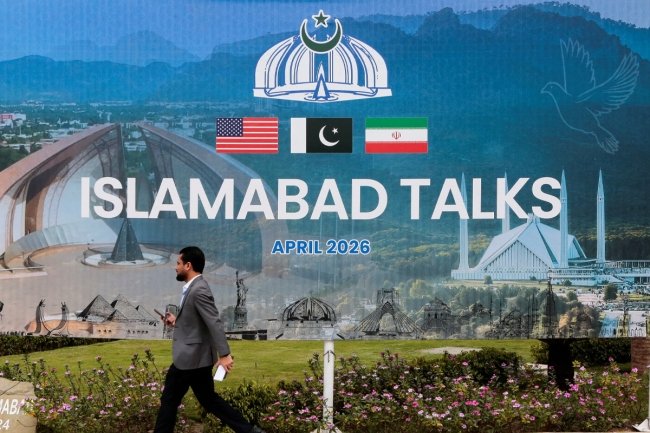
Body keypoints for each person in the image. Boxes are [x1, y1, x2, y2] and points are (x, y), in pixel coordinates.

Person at [153, 246, 266, 433]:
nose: (175, 267)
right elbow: (199, 322)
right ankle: (250, 431)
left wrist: (225, 354)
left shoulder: (198, 290)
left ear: (188, 265)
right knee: (208, 400)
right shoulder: (194, 288)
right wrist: (177, 321)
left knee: (170, 400)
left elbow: (214, 322)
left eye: (178, 263)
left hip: (189, 359)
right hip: (196, 358)